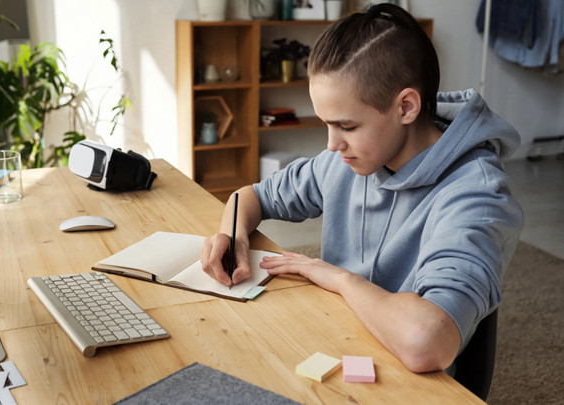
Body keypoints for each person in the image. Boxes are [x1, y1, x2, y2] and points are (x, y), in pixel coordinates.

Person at [200, 3, 523, 374]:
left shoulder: (476, 197)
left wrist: (337, 277)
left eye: (347, 126)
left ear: (406, 107)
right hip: (336, 342)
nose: (331, 144)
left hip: (407, 383)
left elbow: (427, 343)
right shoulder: (348, 160)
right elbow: (250, 197)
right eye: (326, 124)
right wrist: (233, 235)